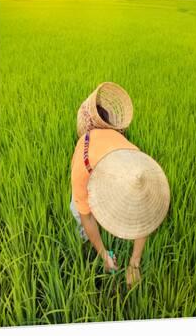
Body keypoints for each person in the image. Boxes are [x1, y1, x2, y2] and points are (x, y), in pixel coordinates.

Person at [70, 104, 170, 288]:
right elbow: (87, 216)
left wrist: (134, 263)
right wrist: (104, 255)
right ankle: (85, 239)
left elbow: (144, 216)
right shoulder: (82, 169)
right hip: (89, 164)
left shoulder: (138, 167)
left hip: (116, 161)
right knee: (78, 211)